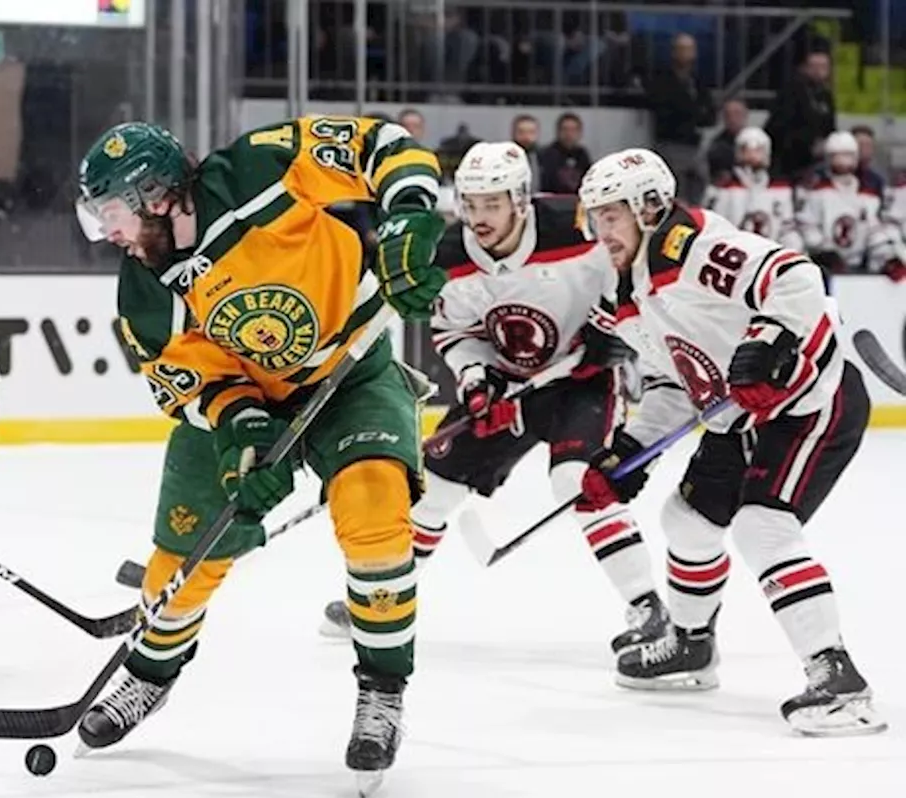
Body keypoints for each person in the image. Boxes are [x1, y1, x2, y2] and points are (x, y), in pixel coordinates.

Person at [75, 116, 447, 792]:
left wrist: (409, 218)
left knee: (375, 515)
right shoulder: (144, 294)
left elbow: (380, 145)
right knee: (180, 568)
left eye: (114, 214)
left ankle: (383, 690)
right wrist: (242, 434)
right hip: (249, 406)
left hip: (350, 370)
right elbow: (192, 384)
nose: (111, 234)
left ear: (158, 196)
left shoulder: (257, 171)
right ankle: (150, 675)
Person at [576, 148, 885, 737]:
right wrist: (630, 446)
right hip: (738, 416)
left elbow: (792, 276)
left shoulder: (693, 250)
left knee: (761, 525)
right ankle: (692, 647)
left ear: (648, 208)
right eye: (594, 218)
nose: (600, 231)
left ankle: (838, 678)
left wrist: (768, 341)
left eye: (610, 215)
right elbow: (675, 379)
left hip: (810, 401)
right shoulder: (628, 293)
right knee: (687, 519)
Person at [318, 142, 667, 657]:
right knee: (432, 487)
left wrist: (618, 323)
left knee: (577, 480)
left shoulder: (575, 227)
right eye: (471, 203)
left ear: (520, 199)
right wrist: (478, 379)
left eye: (492, 204)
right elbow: (456, 332)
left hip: (583, 378)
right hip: (509, 383)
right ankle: (383, 598)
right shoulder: (450, 256)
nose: (479, 217)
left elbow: (633, 265)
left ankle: (648, 607)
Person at [796, 131, 905, 280]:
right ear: (828, 158)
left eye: (848, 155)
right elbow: (807, 226)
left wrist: (888, 258)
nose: (843, 161)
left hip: (859, 267)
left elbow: (875, 232)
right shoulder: (816, 192)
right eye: (837, 156)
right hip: (823, 267)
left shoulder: (869, 195)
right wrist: (825, 253)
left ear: (856, 157)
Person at [702, 127, 802, 251]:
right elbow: (712, 228)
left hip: (769, 258)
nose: (752, 155)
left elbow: (787, 230)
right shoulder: (721, 189)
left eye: (758, 150)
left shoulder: (781, 189)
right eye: (746, 150)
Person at [646, 33, 715, 201]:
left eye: (690, 49)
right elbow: (667, 108)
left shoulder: (698, 81)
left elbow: (709, 110)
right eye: (682, 49)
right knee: (675, 191)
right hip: (670, 143)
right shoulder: (662, 80)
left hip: (694, 144)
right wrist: (694, 112)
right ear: (674, 52)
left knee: (700, 187)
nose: (686, 54)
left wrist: (698, 115)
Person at [765, 49, 836, 181]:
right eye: (814, 66)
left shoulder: (826, 96)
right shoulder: (791, 92)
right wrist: (809, 144)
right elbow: (780, 127)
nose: (818, 71)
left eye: (823, 67)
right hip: (789, 160)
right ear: (805, 68)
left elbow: (830, 126)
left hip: (818, 160)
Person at [539, 112, 591, 195]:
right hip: (551, 201)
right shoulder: (547, 154)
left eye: (573, 130)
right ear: (558, 131)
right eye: (565, 129)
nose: (569, 134)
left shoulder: (582, 154)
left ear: (580, 133)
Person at [704, 98, 750, 183]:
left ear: (745, 115)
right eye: (728, 114)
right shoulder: (717, 146)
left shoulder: (758, 140)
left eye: (737, 113)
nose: (733, 119)